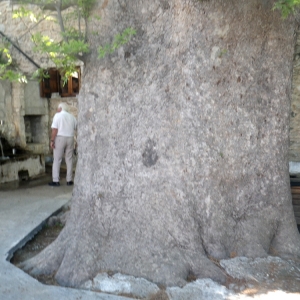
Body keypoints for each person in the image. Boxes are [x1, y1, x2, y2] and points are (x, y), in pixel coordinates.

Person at [48, 103, 77, 187]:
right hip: (70, 138)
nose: (57, 110)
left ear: (60, 108)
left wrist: (52, 140)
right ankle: (69, 180)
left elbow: (54, 129)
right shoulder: (72, 117)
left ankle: (56, 180)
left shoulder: (58, 115)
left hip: (60, 138)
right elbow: (78, 128)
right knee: (69, 159)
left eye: (57, 108)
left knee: (57, 159)